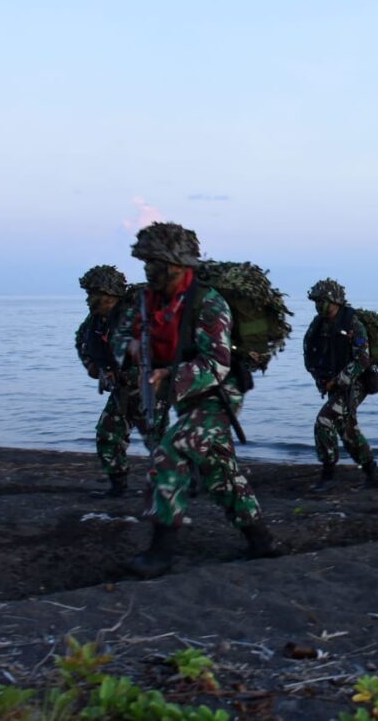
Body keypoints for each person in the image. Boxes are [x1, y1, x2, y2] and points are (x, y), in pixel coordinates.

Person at [121, 222, 281, 578]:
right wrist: (130, 348)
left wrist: (169, 377)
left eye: (155, 261)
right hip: (183, 397)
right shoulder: (146, 301)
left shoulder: (209, 303)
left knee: (171, 449)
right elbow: (123, 336)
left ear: (179, 265)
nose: (148, 269)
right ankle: (260, 540)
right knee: (219, 469)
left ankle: (160, 552)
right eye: (145, 261)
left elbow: (217, 364)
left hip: (218, 395)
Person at [75, 265, 166, 498]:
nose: (89, 299)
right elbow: (81, 341)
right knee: (107, 435)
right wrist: (93, 367)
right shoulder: (95, 321)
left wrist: (132, 375)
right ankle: (118, 486)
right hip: (120, 390)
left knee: (160, 444)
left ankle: (173, 487)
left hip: (149, 391)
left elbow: (159, 353)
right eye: (88, 293)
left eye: (94, 294)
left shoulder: (137, 317)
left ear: (110, 294)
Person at [303, 278, 378, 492]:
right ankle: (372, 473)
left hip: (356, 383)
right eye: (316, 301)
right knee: (348, 430)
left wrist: (338, 381)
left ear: (335, 301)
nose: (319, 305)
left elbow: (362, 359)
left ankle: (328, 474)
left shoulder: (352, 323)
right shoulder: (317, 324)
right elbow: (308, 350)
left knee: (324, 420)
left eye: (323, 301)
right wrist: (319, 378)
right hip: (332, 384)